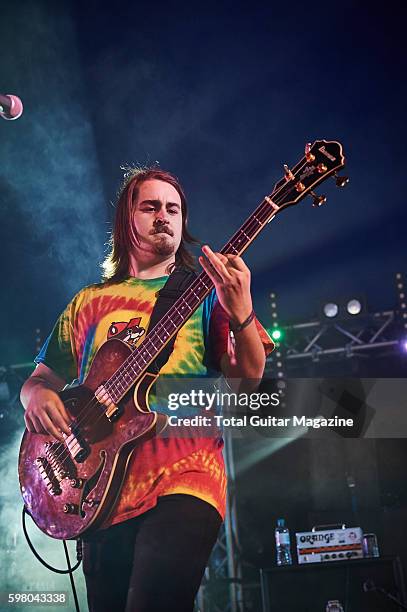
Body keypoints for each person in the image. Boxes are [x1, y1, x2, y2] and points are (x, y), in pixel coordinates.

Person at [20, 167, 273, 612]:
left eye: (173, 209)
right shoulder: (88, 302)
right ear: (126, 220)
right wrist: (36, 395)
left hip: (185, 479)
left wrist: (243, 312)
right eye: (150, 207)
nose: (164, 216)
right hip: (98, 491)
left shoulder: (206, 293)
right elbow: (40, 380)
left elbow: (247, 380)